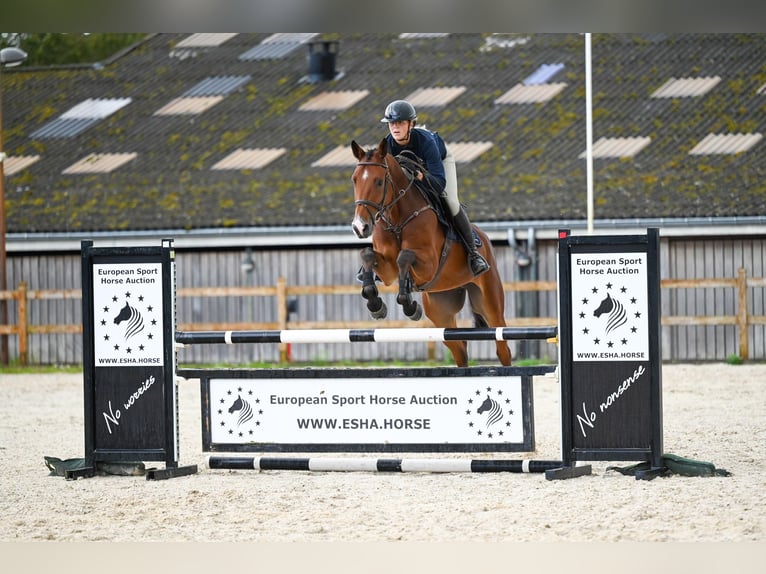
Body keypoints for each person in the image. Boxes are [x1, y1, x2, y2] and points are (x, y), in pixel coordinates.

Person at [380, 99, 490, 276]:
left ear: (411, 124)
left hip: (440, 165)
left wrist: (421, 176)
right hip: (412, 176)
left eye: (400, 122)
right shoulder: (387, 147)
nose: (395, 127)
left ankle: (473, 254)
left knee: (451, 202)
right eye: (391, 123)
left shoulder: (426, 142)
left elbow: (439, 183)